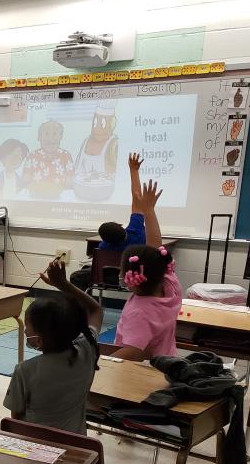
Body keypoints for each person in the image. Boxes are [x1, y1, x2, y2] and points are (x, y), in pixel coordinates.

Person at [1, 257, 103, 464]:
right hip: (76, 456)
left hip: (34, 459)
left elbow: (16, 424)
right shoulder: (87, 351)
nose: (27, 334)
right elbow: (96, 311)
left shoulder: (25, 371)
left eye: (29, 330)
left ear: (39, 340)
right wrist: (64, 285)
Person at [113, 179, 181, 361]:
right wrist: (149, 211)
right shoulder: (170, 287)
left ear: (129, 277)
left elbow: (133, 353)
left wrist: (100, 365)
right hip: (168, 362)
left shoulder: (140, 312)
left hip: (143, 372)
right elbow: (155, 247)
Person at [69, 153, 149, 291]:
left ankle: (83, 306)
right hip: (131, 278)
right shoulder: (137, 232)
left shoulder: (104, 247)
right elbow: (137, 197)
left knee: (77, 275)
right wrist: (133, 171)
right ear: (120, 226)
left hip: (106, 278)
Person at [22, 119, 74, 198]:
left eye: (55, 134)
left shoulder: (66, 155)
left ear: (61, 137)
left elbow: (71, 180)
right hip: (36, 198)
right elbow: (25, 180)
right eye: (46, 134)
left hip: (60, 200)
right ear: (39, 137)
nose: (51, 139)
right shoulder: (32, 156)